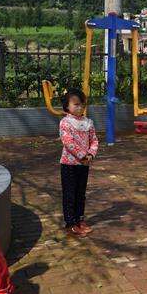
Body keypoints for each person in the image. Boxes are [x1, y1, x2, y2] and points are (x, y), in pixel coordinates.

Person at [58, 88, 99, 238]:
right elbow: (68, 142)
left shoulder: (88, 123)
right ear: (67, 106)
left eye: (82, 104)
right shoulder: (65, 123)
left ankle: (80, 220)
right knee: (69, 194)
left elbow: (94, 140)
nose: (79, 107)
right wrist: (82, 155)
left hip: (84, 164)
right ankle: (70, 223)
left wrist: (91, 154)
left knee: (81, 194)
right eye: (76, 104)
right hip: (69, 165)